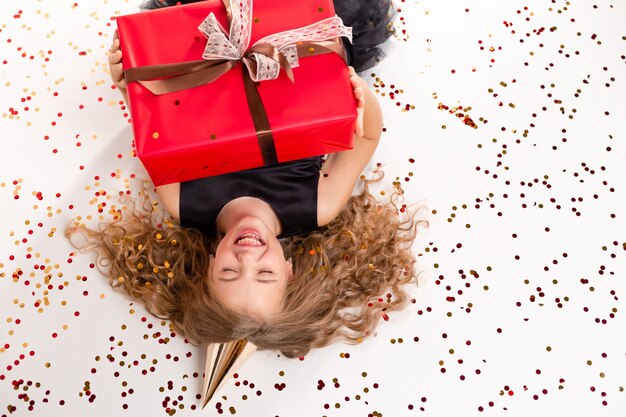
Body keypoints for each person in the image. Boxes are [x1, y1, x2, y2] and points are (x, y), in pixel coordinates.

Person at [69, 0, 425, 358]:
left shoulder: (184, 204)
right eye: (264, 274)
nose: (247, 257)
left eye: (229, 271)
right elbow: (365, 138)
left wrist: (126, 82)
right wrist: (361, 99)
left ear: (208, 267)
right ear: (289, 271)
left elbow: (158, 125)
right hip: (294, 47)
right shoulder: (317, 206)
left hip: (209, 43)